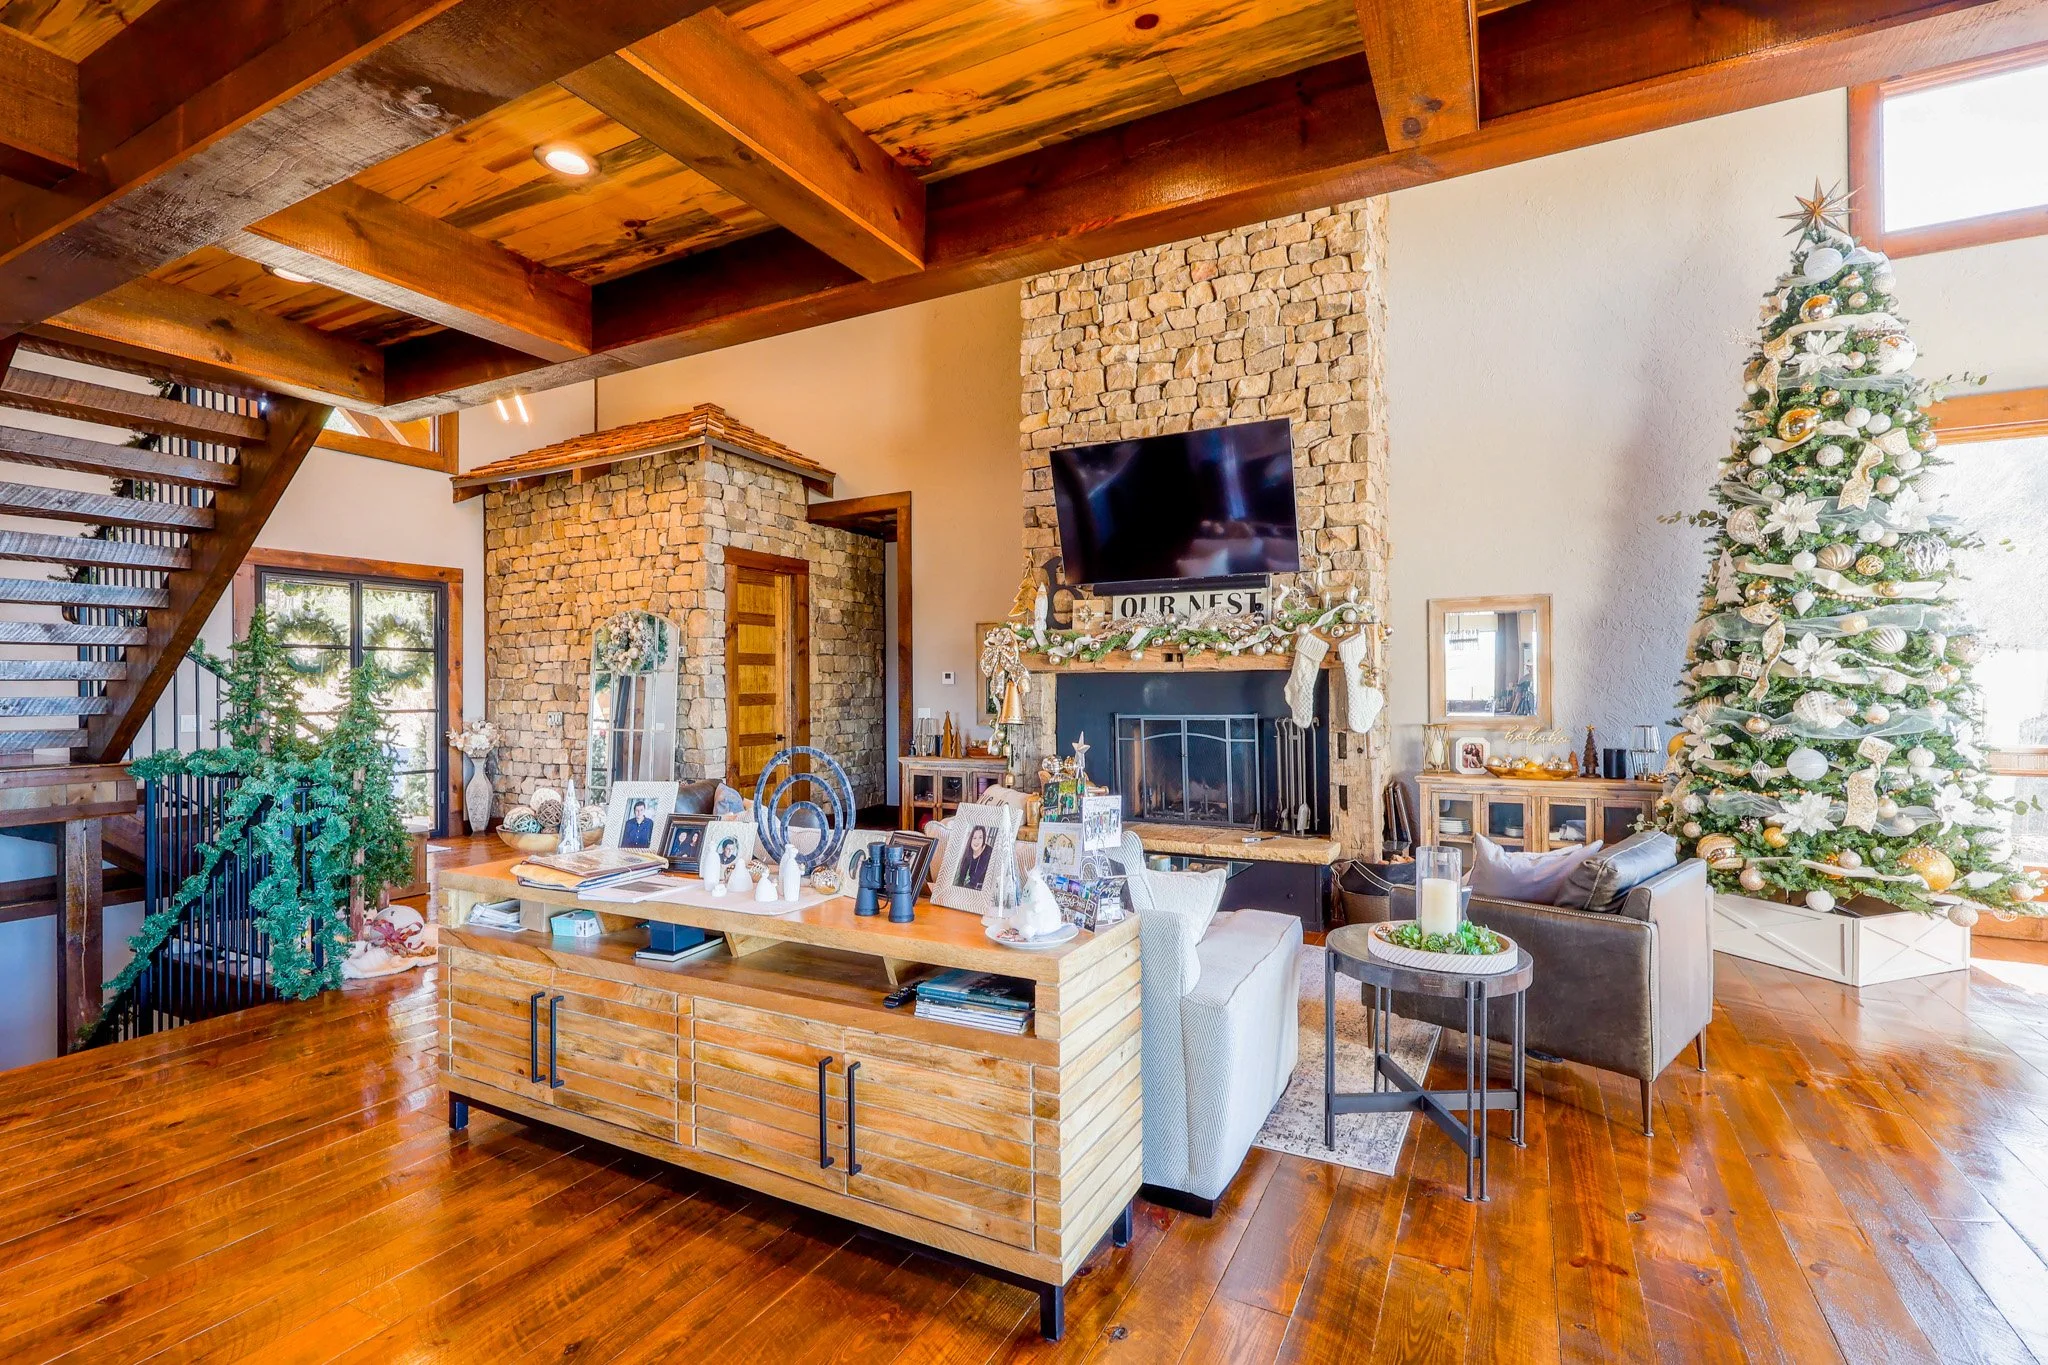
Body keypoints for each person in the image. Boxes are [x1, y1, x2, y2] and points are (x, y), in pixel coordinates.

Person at [954, 823, 994, 891]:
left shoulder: (988, 851)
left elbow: (977, 876)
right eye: (974, 838)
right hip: (972, 887)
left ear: (984, 839)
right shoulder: (969, 851)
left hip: (985, 889)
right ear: (971, 839)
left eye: (980, 837)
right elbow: (962, 875)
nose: (977, 841)